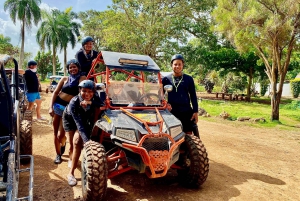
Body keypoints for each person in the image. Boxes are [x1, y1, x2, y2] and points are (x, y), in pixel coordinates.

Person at [62, 80, 104, 186]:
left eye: (90, 91)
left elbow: (102, 104)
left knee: (77, 142)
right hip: (70, 120)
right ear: (79, 90)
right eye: (84, 91)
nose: (87, 94)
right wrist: (87, 143)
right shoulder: (74, 102)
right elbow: (79, 125)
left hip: (83, 118)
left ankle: (71, 170)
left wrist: (90, 102)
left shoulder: (94, 97)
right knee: (73, 144)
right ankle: (71, 172)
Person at [49, 59, 86, 164]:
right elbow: (56, 92)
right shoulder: (64, 79)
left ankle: (70, 152)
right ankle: (58, 154)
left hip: (71, 109)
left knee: (69, 134)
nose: (72, 69)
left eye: (74, 66)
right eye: (70, 67)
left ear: (78, 67)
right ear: (68, 69)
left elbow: (82, 91)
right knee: (57, 133)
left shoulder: (82, 78)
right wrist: (50, 107)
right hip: (58, 106)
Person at [162, 54, 198, 135]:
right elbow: (161, 96)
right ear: (171, 65)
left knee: (188, 134)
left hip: (186, 111)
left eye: (179, 64)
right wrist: (165, 104)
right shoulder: (165, 79)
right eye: (175, 64)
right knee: (173, 134)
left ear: (183, 65)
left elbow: (193, 95)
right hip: (172, 112)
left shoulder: (188, 79)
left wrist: (195, 111)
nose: (177, 66)